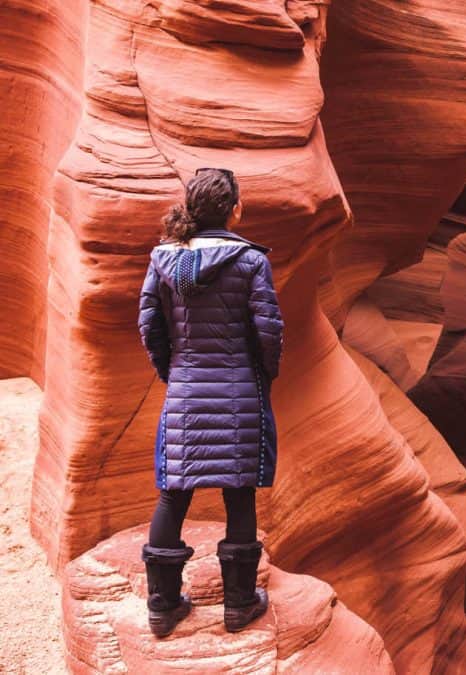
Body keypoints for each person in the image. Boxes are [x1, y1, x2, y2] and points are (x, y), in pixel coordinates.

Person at [136, 167, 283, 638]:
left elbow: (149, 327)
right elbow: (268, 331)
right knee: (238, 491)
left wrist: (171, 371)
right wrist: (265, 374)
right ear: (235, 208)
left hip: (184, 389)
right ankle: (239, 604)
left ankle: (162, 607)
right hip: (239, 388)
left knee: (173, 491)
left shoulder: (164, 259)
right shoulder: (250, 261)